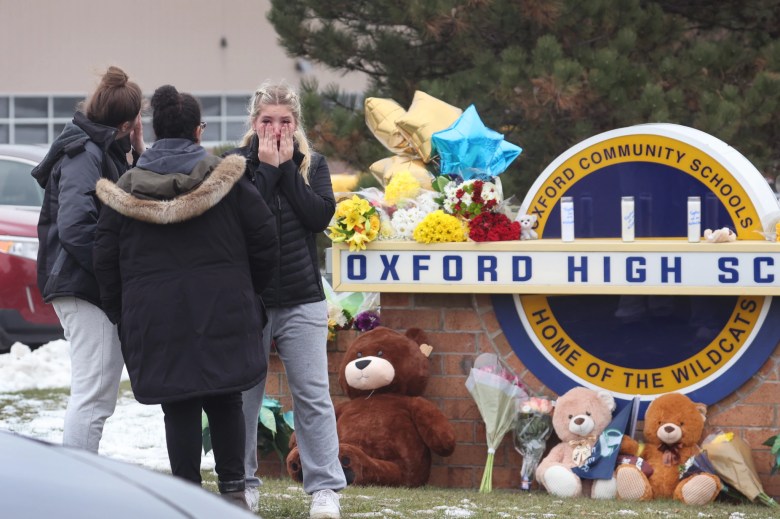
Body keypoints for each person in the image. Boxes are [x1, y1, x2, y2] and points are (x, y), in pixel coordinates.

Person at [92, 85, 278, 509]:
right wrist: (250, 292)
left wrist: (122, 312)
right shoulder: (228, 180)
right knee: (226, 396)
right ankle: (233, 495)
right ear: (198, 131)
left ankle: (187, 501)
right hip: (225, 309)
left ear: (156, 132)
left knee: (178, 405)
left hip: (155, 317)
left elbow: (104, 258)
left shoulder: (125, 189)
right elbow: (265, 239)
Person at [226, 82, 345, 518]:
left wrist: (287, 170)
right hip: (249, 300)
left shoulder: (313, 165)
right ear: (254, 123)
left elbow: (318, 216)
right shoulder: (234, 164)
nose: (276, 129)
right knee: (243, 398)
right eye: (267, 120)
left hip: (301, 298)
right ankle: (242, 484)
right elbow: (241, 217)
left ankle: (325, 489)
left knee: (313, 395)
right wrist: (266, 169)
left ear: (296, 124)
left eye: (285, 121)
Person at [32, 66, 144, 453]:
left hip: (86, 285)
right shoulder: (85, 153)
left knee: (96, 394)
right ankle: (77, 486)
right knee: (93, 394)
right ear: (127, 122)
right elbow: (76, 226)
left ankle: (79, 480)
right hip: (84, 287)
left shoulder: (101, 150)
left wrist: (135, 152)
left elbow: (122, 204)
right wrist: (112, 274)